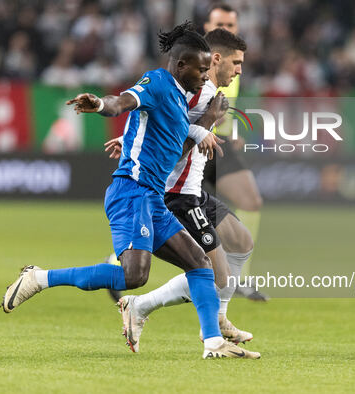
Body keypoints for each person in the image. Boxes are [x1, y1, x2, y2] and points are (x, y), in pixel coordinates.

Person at [1, 22, 259, 360]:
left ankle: (213, 343)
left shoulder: (183, 101)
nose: (204, 74)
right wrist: (100, 105)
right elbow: (124, 101)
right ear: (181, 65)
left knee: (199, 263)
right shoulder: (157, 82)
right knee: (134, 276)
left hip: (153, 199)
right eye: (200, 68)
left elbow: (164, 135)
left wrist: (198, 129)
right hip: (132, 192)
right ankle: (39, 278)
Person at [104, 28, 255, 353]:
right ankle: (145, 308)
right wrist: (205, 123)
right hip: (176, 193)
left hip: (193, 190)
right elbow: (171, 126)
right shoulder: (198, 93)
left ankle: (219, 316)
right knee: (214, 273)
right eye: (236, 63)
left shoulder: (209, 93)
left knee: (242, 241)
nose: (240, 70)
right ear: (216, 59)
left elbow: (173, 123)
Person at [203, 4, 267, 301]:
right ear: (207, 27)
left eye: (231, 25)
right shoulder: (196, 63)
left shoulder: (234, 64)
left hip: (220, 145)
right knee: (173, 217)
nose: (226, 29)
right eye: (221, 24)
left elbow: (229, 108)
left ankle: (239, 279)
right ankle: (118, 260)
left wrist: (235, 131)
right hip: (193, 145)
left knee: (251, 201)